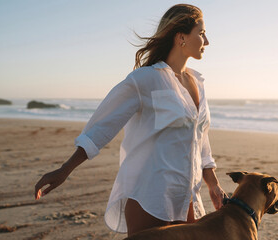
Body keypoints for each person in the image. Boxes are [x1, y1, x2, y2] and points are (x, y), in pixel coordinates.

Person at [34, 4, 226, 237]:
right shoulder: (145, 80)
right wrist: (65, 169)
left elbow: (201, 140)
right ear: (181, 36)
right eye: (202, 33)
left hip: (187, 196)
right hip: (150, 196)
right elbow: (102, 126)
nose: (207, 41)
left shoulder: (199, 83)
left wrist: (212, 183)